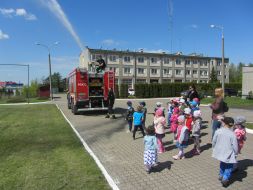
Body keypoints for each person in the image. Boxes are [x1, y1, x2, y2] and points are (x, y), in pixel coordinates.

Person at [212, 117, 238, 187]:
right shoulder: (232, 134)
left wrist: (214, 148)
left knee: (222, 163)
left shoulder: (218, 131)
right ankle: (225, 178)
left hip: (220, 152)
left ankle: (221, 175)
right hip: (228, 153)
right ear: (232, 125)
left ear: (224, 123)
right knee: (229, 166)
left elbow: (214, 141)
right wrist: (236, 153)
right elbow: (235, 146)